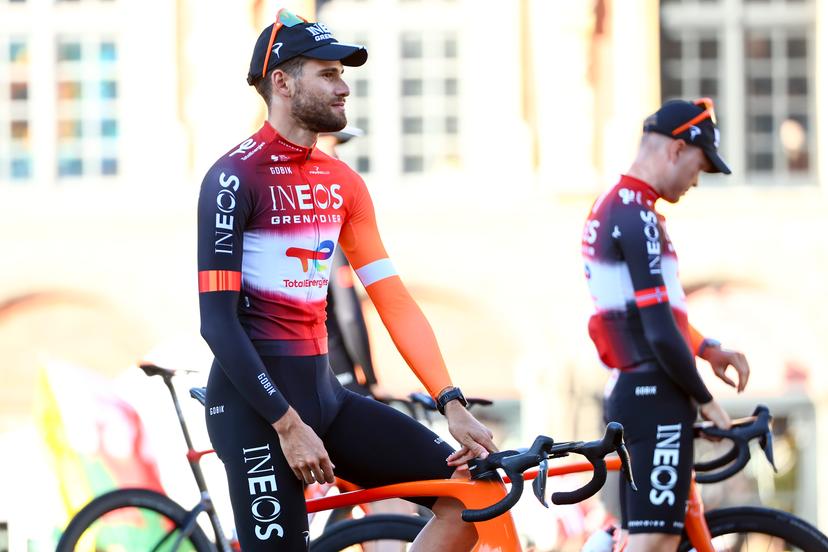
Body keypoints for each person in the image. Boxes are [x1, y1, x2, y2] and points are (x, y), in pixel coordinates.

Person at [196, 9, 495, 551]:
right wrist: (287, 424)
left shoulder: (342, 182)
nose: (344, 87)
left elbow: (391, 298)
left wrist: (450, 401)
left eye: (343, 74)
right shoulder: (234, 177)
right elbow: (217, 323)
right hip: (255, 412)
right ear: (282, 82)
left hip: (326, 396)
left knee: (474, 495)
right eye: (328, 74)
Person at [580, 98, 751, 552]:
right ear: (677, 149)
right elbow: (656, 331)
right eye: (699, 166)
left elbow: (652, 316)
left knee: (645, 538)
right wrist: (705, 399)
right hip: (654, 392)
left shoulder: (622, 206)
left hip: (638, 388)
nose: (696, 181)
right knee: (653, 542)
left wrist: (706, 348)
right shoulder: (636, 216)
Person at [315, 127, 383, 397]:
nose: (337, 158)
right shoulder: (327, 225)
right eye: (330, 149)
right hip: (333, 362)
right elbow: (348, 313)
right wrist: (370, 377)